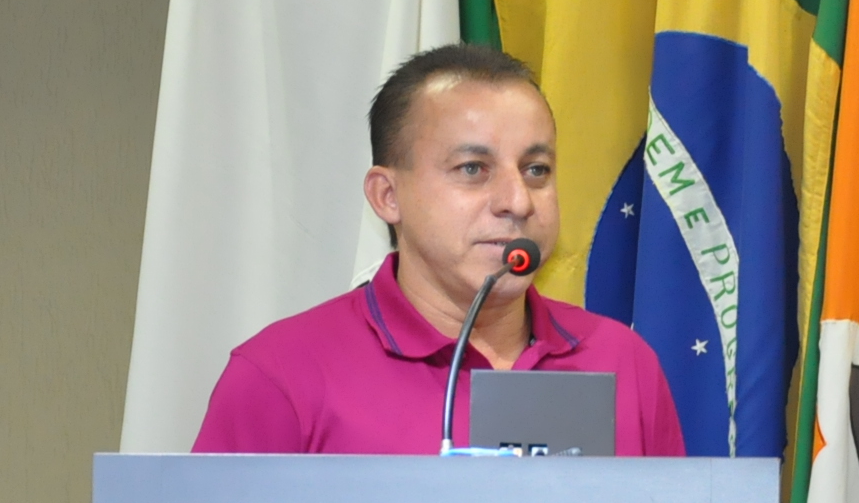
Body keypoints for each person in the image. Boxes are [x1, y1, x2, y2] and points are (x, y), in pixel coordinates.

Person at [192, 44, 686, 456]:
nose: (517, 202)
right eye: (473, 169)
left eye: (536, 170)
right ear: (388, 196)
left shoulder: (622, 362)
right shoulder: (282, 375)